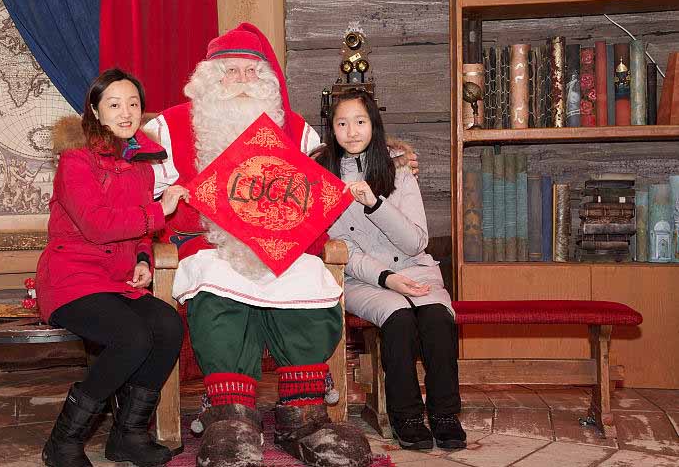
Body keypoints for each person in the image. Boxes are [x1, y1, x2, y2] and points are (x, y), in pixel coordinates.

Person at [143, 23, 418, 467]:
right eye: (231, 72)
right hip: (210, 245)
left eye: (253, 72)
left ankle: (304, 413)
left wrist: (393, 154)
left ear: (268, 81)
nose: (242, 82)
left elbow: (338, 171)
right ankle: (230, 414)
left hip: (284, 245)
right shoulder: (167, 128)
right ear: (210, 79)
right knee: (219, 282)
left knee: (309, 279)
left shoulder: (297, 130)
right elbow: (141, 197)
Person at [36, 68, 189, 467]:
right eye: (114, 104)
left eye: (134, 104)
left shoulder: (141, 164)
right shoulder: (76, 160)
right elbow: (98, 225)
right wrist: (160, 210)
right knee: (133, 337)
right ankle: (63, 442)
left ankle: (128, 436)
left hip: (115, 280)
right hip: (71, 278)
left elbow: (137, 230)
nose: (126, 113)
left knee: (169, 326)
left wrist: (142, 258)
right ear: (95, 111)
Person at [320, 90, 466, 451]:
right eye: (342, 123)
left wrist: (374, 203)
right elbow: (341, 250)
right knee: (398, 318)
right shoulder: (322, 175)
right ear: (332, 128)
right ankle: (407, 417)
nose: (351, 132)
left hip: (415, 268)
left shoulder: (399, 170)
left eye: (359, 122)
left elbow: (417, 241)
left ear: (373, 125)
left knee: (437, 317)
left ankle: (445, 414)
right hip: (362, 278)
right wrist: (386, 278)